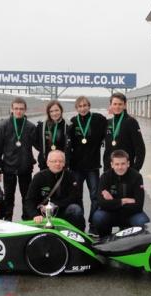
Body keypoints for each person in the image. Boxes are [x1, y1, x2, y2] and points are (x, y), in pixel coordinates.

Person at [0, 97, 36, 221]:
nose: (18, 111)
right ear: (11, 109)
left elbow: (40, 145)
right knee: (9, 197)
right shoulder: (3, 126)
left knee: (27, 196)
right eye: (16, 108)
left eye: (21, 109)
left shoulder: (30, 127)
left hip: (25, 168)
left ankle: (27, 219)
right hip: (8, 168)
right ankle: (8, 219)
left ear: (25, 110)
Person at [67, 96, 107, 230]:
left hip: (92, 166)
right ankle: (79, 224)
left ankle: (93, 223)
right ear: (76, 108)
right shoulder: (73, 122)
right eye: (80, 106)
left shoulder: (98, 119)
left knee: (95, 196)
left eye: (85, 105)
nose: (82, 108)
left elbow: (110, 128)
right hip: (76, 167)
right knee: (77, 196)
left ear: (89, 106)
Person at [93, 150, 149, 238]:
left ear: (128, 163)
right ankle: (105, 239)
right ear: (112, 164)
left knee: (143, 222)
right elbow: (101, 203)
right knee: (98, 217)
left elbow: (138, 205)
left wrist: (113, 202)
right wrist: (123, 201)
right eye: (117, 164)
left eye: (123, 164)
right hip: (111, 214)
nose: (120, 167)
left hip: (130, 214)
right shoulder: (105, 177)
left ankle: (135, 243)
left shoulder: (137, 177)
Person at [24, 150, 85, 231]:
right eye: (54, 161)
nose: (57, 164)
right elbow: (29, 200)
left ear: (64, 163)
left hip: (62, 210)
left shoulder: (70, 176)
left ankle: (77, 234)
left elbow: (75, 197)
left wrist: (55, 205)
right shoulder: (39, 177)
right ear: (48, 163)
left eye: (60, 161)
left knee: (75, 209)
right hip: (43, 213)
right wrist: (34, 215)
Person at [103, 92, 145, 172]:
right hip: (109, 170)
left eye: (120, 104)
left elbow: (140, 148)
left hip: (127, 169)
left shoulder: (131, 122)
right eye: (115, 104)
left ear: (125, 105)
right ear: (110, 105)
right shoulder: (108, 123)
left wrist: (136, 169)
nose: (117, 107)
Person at [35, 100, 68, 170]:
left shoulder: (67, 125)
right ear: (48, 112)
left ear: (61, 110)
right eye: (51, 111)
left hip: (61, 163)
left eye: (57, 110)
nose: (54, 113)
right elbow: (35, 141)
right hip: (45, 163)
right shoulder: (41, 125)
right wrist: (43, 151)